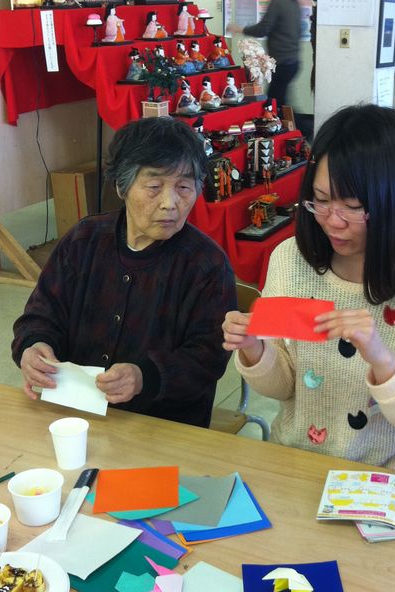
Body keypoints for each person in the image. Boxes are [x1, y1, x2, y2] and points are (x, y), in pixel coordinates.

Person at [222, 104, 395, 469]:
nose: (333, 221)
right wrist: (254, 350)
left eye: (353, 206)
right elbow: (285, 387)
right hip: (304, 462)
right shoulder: (291, 260)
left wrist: (381, 358)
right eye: (321, 200)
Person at [13, 117, 237, 428]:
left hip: (162, 425)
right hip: (75, 412)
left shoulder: (206, 265)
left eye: (184, 187)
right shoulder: (84, 240)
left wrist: (145, 377)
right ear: (121, 186)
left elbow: (208, 356)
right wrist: (33, 345)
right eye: (154, 187)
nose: (170, 203)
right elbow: (42, 312)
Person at [228, 0, 301, 111]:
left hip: (281, 61)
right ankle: (291, 119)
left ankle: (290, 120)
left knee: (273, 103)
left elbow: (263, 29)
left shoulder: (278, 3)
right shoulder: (294, 3)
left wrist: (239, 29)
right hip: (292, 61)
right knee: (280, 100)